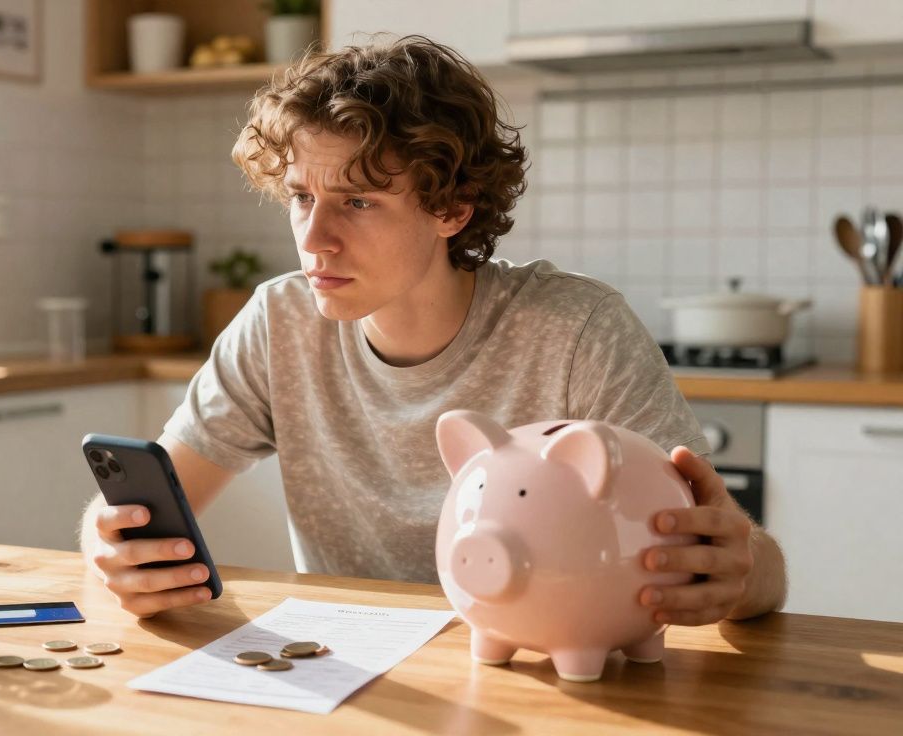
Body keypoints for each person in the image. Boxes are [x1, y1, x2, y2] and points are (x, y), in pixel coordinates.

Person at [79, 35, 787, 626]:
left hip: (541, 670)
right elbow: (134, 512)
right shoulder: (278, 321)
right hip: (350, 671)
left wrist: (739, 571)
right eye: (301, 196)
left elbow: (754, 570)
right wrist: (111, 548)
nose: (314, 239)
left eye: (357, 200)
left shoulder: (577, 331)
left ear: (451, 208)